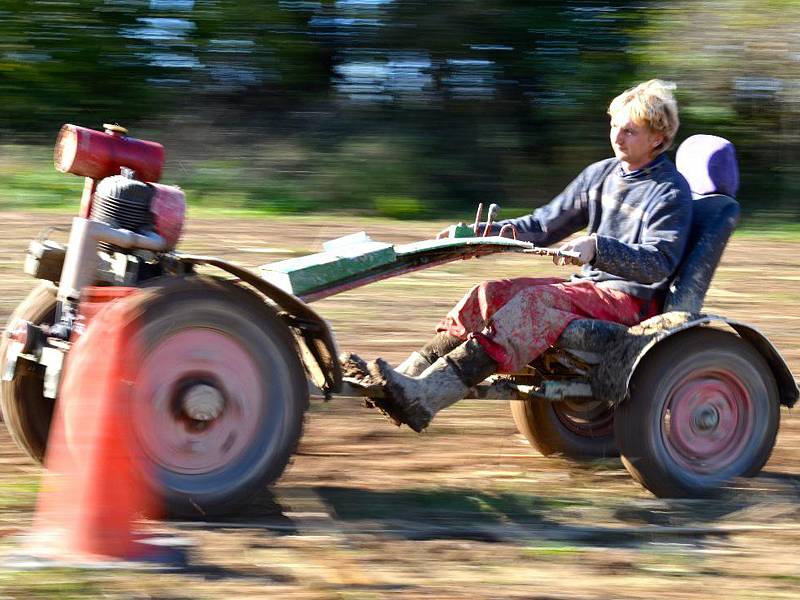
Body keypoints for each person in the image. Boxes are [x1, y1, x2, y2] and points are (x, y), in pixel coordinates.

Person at [350, 79, 693, 433]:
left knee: (531, 305)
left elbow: (659, 263)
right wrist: (482, 234)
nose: (617, 138)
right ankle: (404, 378)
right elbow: (542, 224)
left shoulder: (670, 192)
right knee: (489, 294)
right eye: (614, 127)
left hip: (628, 301)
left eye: (630, 131)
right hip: (590, 292)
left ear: (658, 137)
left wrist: (598, 247)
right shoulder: (600, 175)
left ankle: (426, 396)